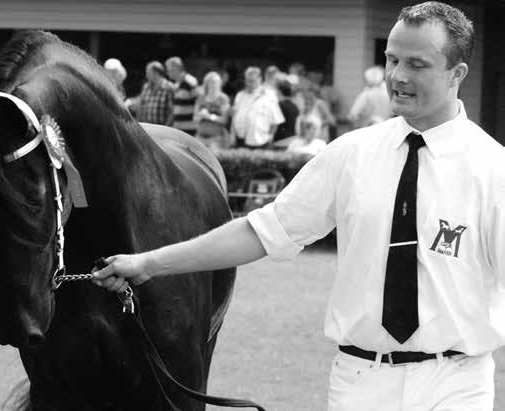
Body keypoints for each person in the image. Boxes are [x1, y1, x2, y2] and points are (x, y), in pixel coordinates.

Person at [92, 3, 504, 410]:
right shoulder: (350, 154)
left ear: (457, 74)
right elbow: (262, 231)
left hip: (457, 382)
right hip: (361, 381)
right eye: (392, 59)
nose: (398, 76)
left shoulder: (492, 170)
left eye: (417, 64)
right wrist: (148, 263)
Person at [230, 66, 284, 149]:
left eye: (252, 81)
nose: (249, 84)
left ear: (260, 79)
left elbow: (276, 120)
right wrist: (232, 135)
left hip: (261, 142)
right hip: (240, 140)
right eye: (247, 81)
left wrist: (270, 137)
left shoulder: (269, 96)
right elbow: (234, 117)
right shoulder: (240, 95)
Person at [193, 71, 230, 151]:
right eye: (212, 82)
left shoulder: (223, 98)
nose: (214, 85)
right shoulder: (201, 98)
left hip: (216, 139)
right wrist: (200, 116)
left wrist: (209, 116)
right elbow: (195, 119)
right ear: (207, 84)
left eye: (217, 82)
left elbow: (224, 120)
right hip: (200, 137)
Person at [165, 56, 199, 136]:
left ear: (175, 68)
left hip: (190, 130)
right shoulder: (177, 84)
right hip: (180, 129)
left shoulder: (189, 81)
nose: (167, 72)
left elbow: (199, 102)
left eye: (168, 69)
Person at [133, 61, 174, 126]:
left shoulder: (169, 87)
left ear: (156, 73)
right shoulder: (146, 87)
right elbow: (140, 108)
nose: (146, 75)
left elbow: (172, 112)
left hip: (164, 130)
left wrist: (166, 128)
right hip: (148, 129)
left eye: (148, 73)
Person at [272, 79, 300, 143]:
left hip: (281, 140)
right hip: (292, 139)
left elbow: (275, 124)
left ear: (279, 92)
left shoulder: (279, 106)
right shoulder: (294, 106)